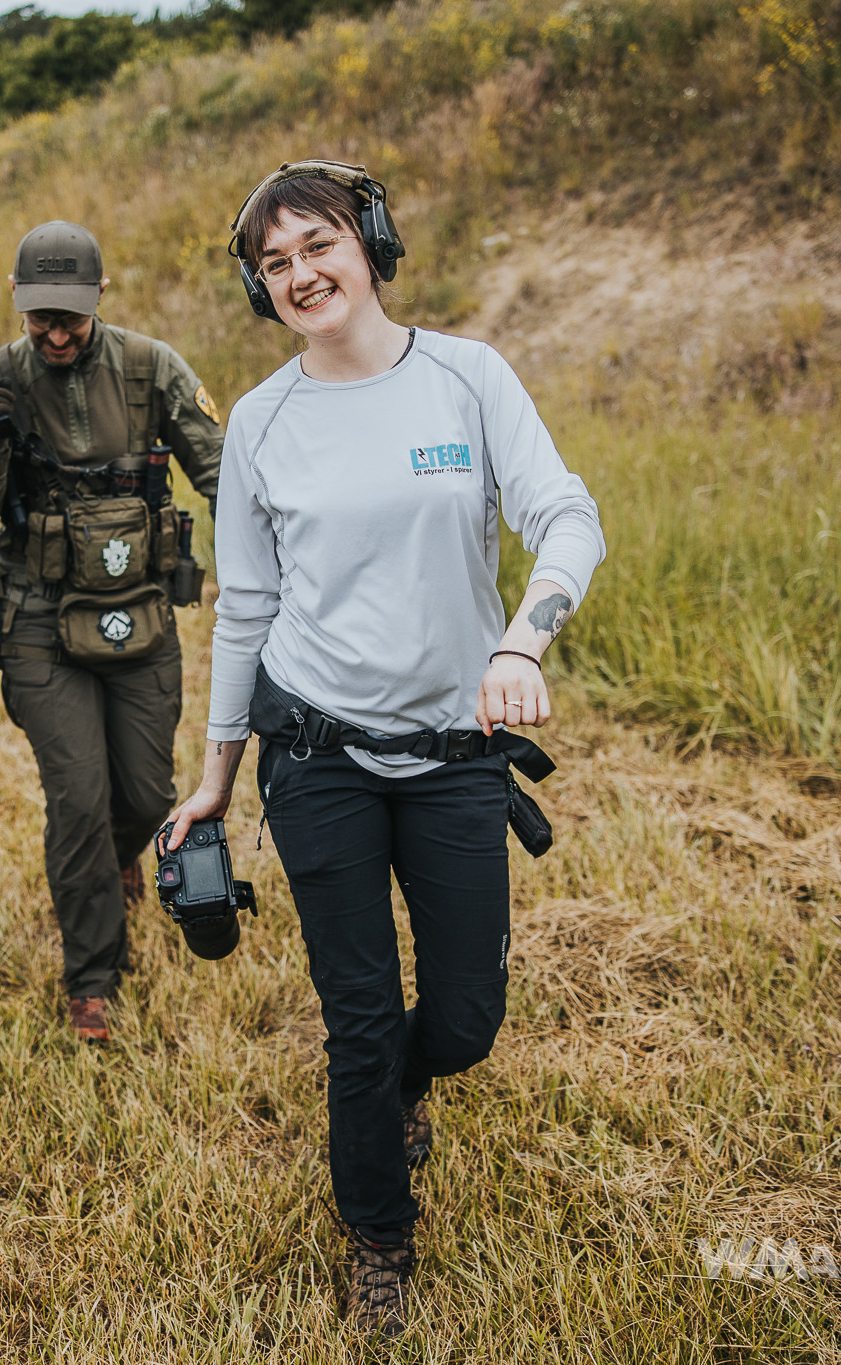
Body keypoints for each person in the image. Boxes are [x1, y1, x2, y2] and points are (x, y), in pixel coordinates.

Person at [163, 162, 604, 1336]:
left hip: (459, 747)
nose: (301, 274)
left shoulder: (467, 379)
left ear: (369, 242)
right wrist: (216, 775)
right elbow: (244, 610)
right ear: (261, 289)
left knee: (461, 1022)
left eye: (316, 245)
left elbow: (566, 515)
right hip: (315, 754)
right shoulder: (259, 423)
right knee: (357, 1018)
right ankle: (377, 1237)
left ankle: (412, 1088)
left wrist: (521, 641)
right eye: (274, 264)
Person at [0, 220, 223, 1044]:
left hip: (140, 607)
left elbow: (226, 474)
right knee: (78, 797)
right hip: (34, 618)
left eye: (71, 316)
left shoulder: (150, 368)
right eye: (41, 319)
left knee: (144, 794)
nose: (57, 335)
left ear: (100, 297)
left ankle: (119, 859)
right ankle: (93, 974)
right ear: (18, 305)